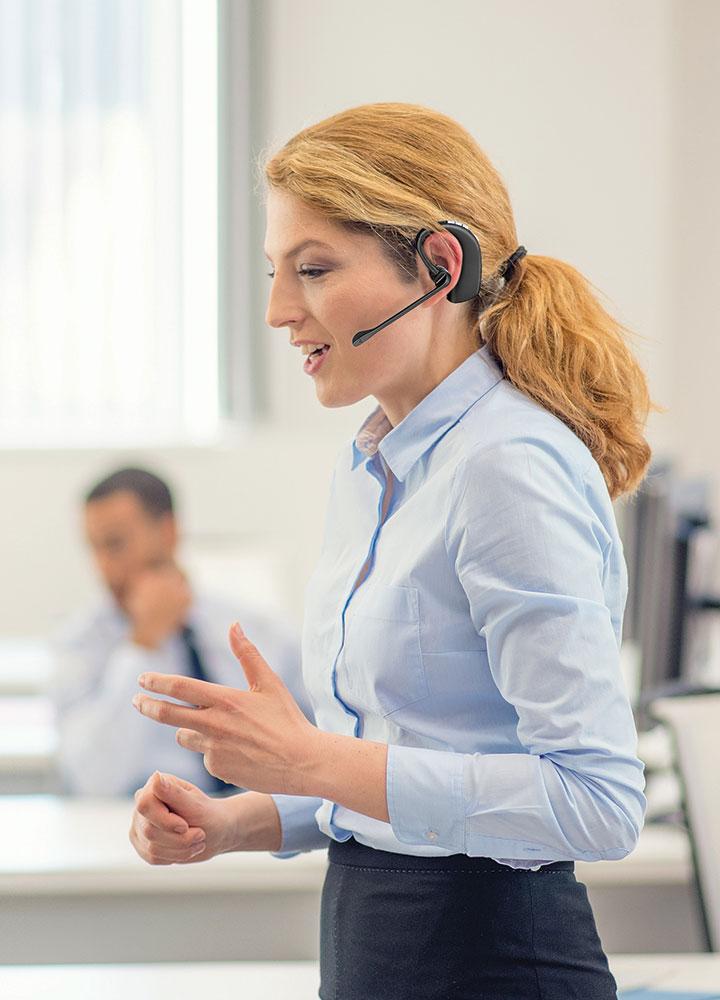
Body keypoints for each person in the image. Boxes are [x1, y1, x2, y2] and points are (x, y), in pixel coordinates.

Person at [128, 103, 652, 998]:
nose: (278, 310)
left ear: (440, 267)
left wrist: (310, 760)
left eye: (316, 270)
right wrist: (238, 821)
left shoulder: (508, 467)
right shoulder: (376, 463)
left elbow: (597, 804)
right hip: (381, 947)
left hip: (493, 966)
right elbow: (397, 763)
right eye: (277, 273)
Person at [50, 466, 305, 797]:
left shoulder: (256, 629)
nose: (103, 567)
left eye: (114, 545)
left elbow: (318, 744)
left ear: (168, 532)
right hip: (132, 830)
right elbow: (93, 780)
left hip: (258, 825)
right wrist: (144, 643)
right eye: (93, 548)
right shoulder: (79, 645)